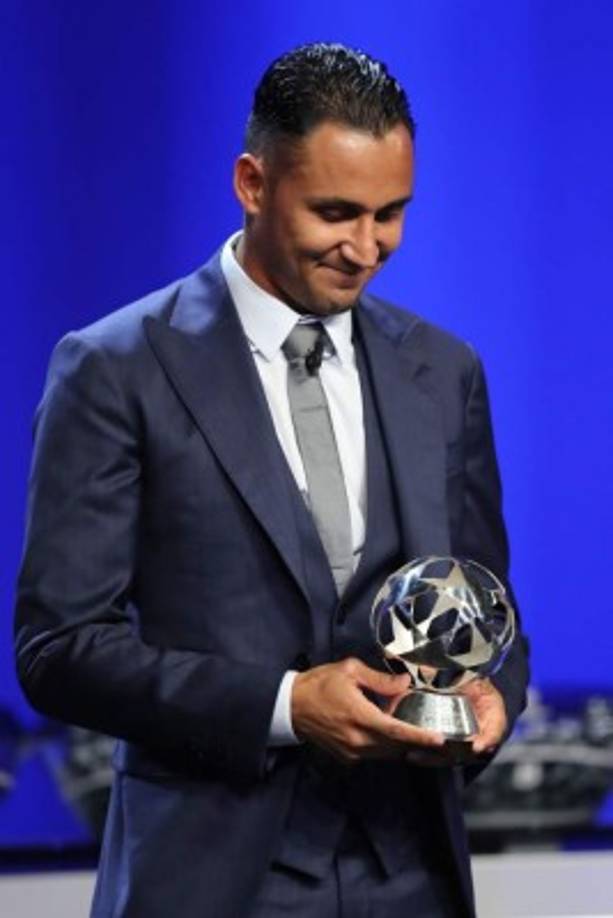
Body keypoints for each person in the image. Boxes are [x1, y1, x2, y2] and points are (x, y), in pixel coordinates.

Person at [15, 42, 529, 917]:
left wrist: (490, 701)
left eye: (391, 214)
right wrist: (286, 705)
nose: (366, 247)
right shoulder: (113, 369)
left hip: (409, 873)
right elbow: (59, 650)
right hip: (208, 876)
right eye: (335, 211)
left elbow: (485, 604)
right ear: (252, 184)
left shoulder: (443, 371)